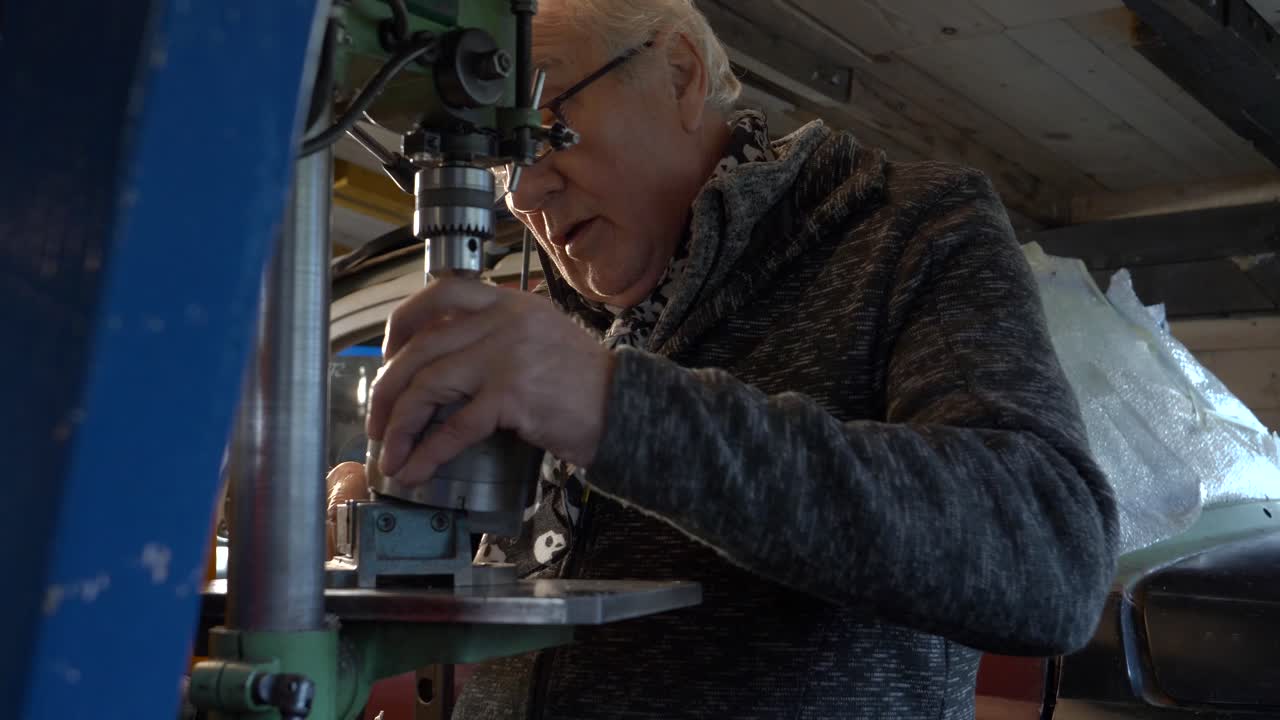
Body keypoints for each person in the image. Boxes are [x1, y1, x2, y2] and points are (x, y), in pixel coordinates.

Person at [329, 0, 1120, 717]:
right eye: (503, 160)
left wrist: (614, 408)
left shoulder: (901, 230)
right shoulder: (559, 324)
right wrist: (396, 523)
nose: (521, 194)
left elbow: (1051, 556)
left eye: (541, 120)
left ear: (679, 72)